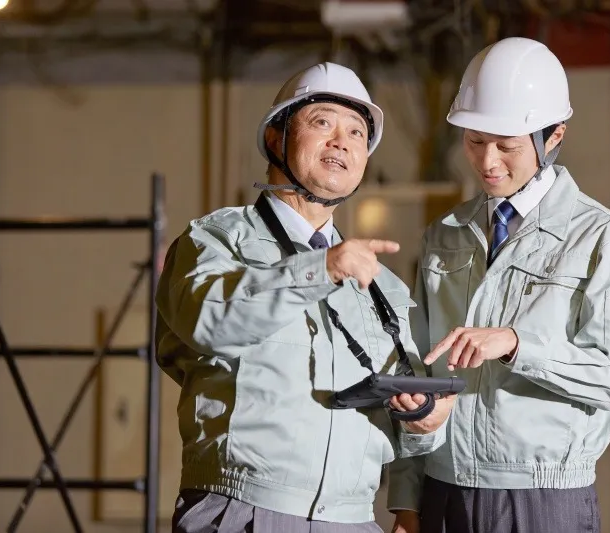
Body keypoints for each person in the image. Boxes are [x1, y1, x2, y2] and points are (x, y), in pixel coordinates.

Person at [155, 62, 455, 533]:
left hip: (353, 519)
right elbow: (207, 324)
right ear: (276, 137)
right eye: (322, 122)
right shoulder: (217, 240)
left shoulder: (382, 287)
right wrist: (321, 269)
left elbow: (405, 425)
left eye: (357, 133)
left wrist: (423, 418)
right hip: (243, 508)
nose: (342, 141)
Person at [388, 37, 610, 533]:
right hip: (443, 488)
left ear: (554, 136)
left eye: (507, 146)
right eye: (474, 141)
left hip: (543, 497)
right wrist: (406, 499)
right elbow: (415, 366)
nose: (487, 162)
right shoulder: (445, 235)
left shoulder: (600, 237)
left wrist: (516, 344)